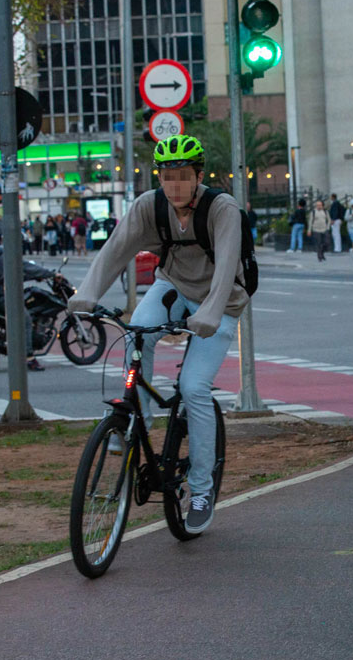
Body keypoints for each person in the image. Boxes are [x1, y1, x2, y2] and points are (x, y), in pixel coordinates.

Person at [68, 134, 247, 535]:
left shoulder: (222, 209)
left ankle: (200, 490)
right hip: (173, 287)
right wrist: (87, 294)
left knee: (194, 387)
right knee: (136, 333)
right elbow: (116, 249)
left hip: (221, 301)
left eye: (183, 176)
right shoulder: (149, 206)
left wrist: (211, 314)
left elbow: (226, 268)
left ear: (199, 176)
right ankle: (137, 420)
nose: (175, 185)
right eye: (167, 176)